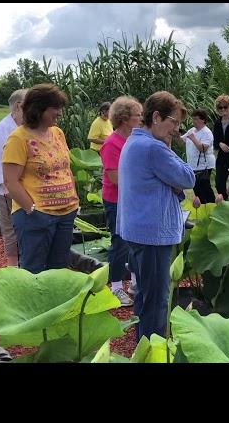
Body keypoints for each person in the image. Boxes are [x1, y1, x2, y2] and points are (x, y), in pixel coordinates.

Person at [117, 91, 195, 341]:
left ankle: (143, 344)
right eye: (173, 122)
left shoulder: (133, 141)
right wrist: (174, 182)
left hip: (137, 231)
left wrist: (173, 183)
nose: (175, 129)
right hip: (152, 235)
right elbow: (187, 178)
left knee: (144, 296)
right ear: (157, 117)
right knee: (156, 302)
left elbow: (176, 182)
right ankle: (152, 348)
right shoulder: (153, 148)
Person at [2, 83, 79, 274]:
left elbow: (66, 168)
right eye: (55, 107)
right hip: (36, 216)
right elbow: (10, 181)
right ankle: (34, 304)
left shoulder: (57, 133)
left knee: (59, 269)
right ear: (38, 109)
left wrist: (74, 200)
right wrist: (31, 209)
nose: (59, 112)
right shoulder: (18, 138)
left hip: (65, 213)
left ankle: (54, 304)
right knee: (33, 269)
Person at [100, 96, 143, 307]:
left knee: (135, 241)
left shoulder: (133, 140)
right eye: (137, 115)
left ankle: (134, 282)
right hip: (116, 201)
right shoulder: (111, 143)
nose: (141, 118)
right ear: (125, 118)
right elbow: (114, 178)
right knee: (119, 242)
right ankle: (116, 286)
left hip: (132, 199)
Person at [0, 89, 27, 267]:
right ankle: (13, 267)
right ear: (19, 106)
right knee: (11, 229)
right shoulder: (2, 129)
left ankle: (25, 264)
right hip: (5, 189)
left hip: (23, 187)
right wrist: (9, 189)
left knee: (25, 227)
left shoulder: (23, 127)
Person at [181, 109, 216, 204]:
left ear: (203, 120)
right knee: (196, 188)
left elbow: (203, 148)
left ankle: (211, 206)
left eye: (196, 119)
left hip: (204, 166)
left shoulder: (207, 132)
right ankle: (201, 208)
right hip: (192, 165)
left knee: (205, 188)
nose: (193, 121)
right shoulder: (192, 130)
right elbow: (181, 140)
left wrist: (193, 138)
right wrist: (175, 133)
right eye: (193, 119)